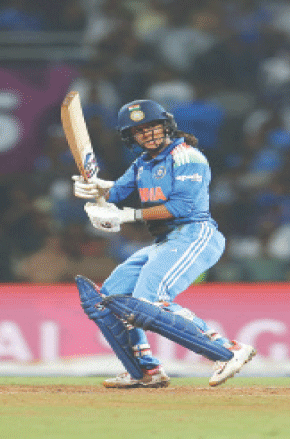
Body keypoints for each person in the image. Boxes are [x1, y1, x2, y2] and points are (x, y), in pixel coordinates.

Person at [72, 99, 256, 388]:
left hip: (195, 234)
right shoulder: (142, 164)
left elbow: (182, 207)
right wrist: (94, 188)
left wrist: (126, 215)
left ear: (166, 126)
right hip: (165, 242)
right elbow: (115, 193)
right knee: (107, 300)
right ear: (130, 137)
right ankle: (145, 371)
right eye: (138, 130)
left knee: (151, 300)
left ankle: (228, 349)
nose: (147, 134)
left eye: (152, 126)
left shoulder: (187, 157)